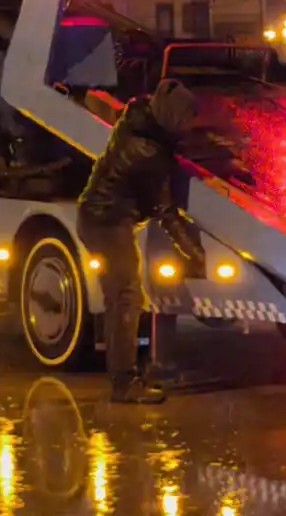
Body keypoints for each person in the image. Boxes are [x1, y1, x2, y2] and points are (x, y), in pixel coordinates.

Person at [77, 78, 207, 405]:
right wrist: (194, 253)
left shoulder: (140, 121)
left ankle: (128, 374)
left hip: (101, 216)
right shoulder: (146, 151)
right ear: (172, 118)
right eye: (185, 121)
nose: (188, 128)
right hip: (106, 222)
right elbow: (165, 210)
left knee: (124, 297)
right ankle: (124, 384)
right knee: (125, 298)